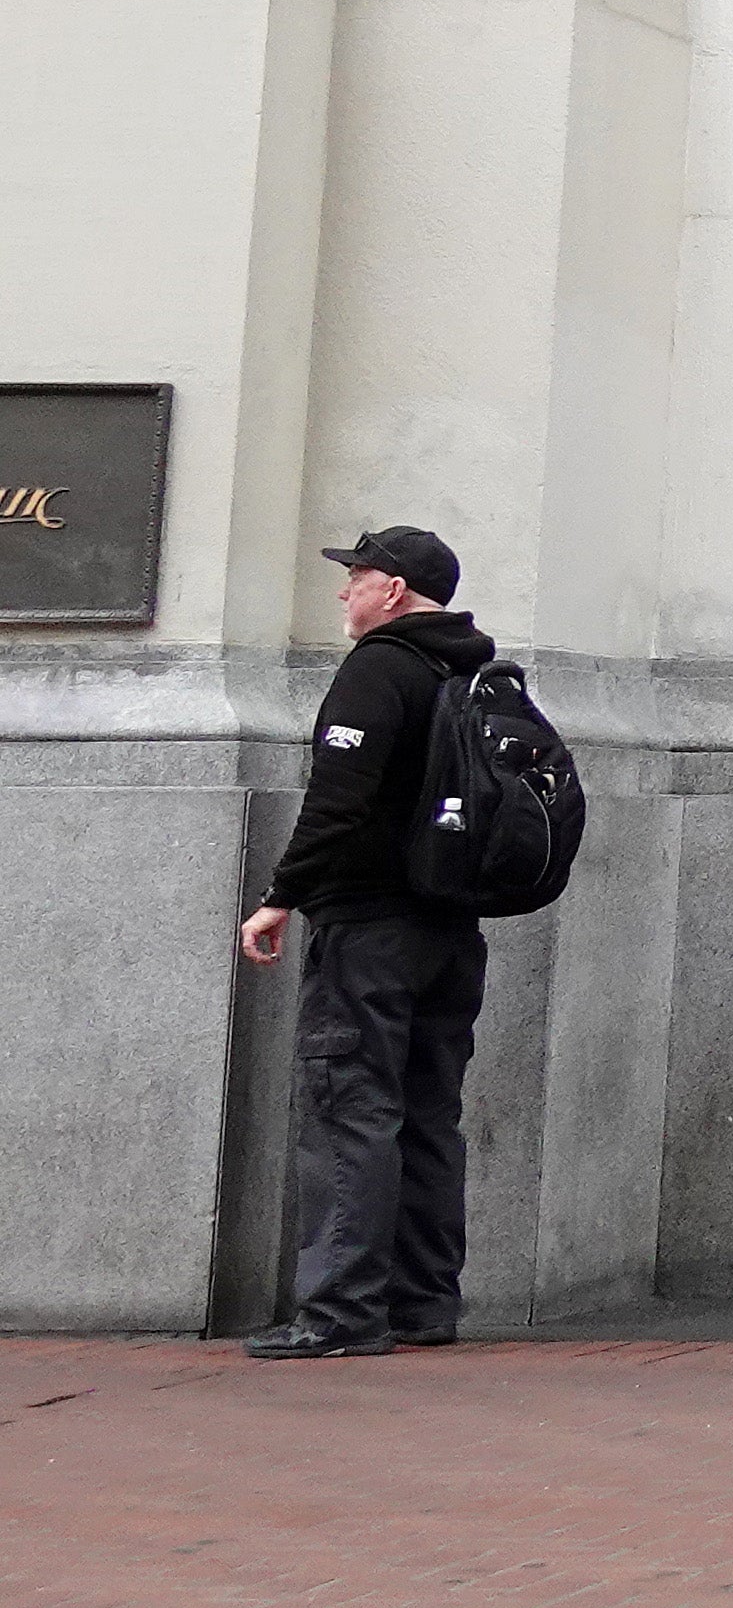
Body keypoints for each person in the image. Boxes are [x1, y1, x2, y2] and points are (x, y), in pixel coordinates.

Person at [232, 528, 504, 1358]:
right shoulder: (472, 671)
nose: (343, 592)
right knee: (429, 1115)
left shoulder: (380, 667)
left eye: (356, 576)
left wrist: (280, 896)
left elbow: (337, 800)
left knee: (350, 1108)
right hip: (451, 929)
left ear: (392, 590)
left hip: (369, 928)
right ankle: (425, 1304)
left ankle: (341, 1313)